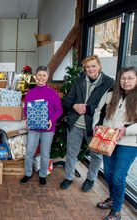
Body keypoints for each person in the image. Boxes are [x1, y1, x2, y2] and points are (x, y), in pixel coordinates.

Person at [60, 55, 115, 191]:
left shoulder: (109, 82)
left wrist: (88, 108)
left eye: (93, 66)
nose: (90, 69)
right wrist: (75, 106)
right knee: (71, 152)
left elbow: (110, 106)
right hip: (76, 123)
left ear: (99, 67)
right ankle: (69, 177)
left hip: (95, 125)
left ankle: (90, 179)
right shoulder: (79, 81)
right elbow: (67, 100)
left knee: (96, 155)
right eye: (88, 67)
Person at [93, 67, 137, 220]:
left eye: (130, 78)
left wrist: (126, 129)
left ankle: (117, 209)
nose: (126, 81)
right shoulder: (111, 93)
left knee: (119, 176)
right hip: (107, 139)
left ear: (136, 79)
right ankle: (112, 199)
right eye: (123, 78)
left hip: (129, 143)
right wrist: (96, 124)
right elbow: (99, 110)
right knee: (109, 173)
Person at [21, 66, 63, 186]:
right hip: (34, 127)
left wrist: (51, 120)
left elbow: (59, 110)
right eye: (39, 75)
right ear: (35, 76)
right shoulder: (30, 93)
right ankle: (28, 173)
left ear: (47, 77)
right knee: (29, 152)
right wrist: (27, 118)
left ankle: (43, 175)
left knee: (45, 153)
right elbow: (26, 109)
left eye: (44, 75)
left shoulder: (53, 93)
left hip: (48, 128)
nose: (41, 77)